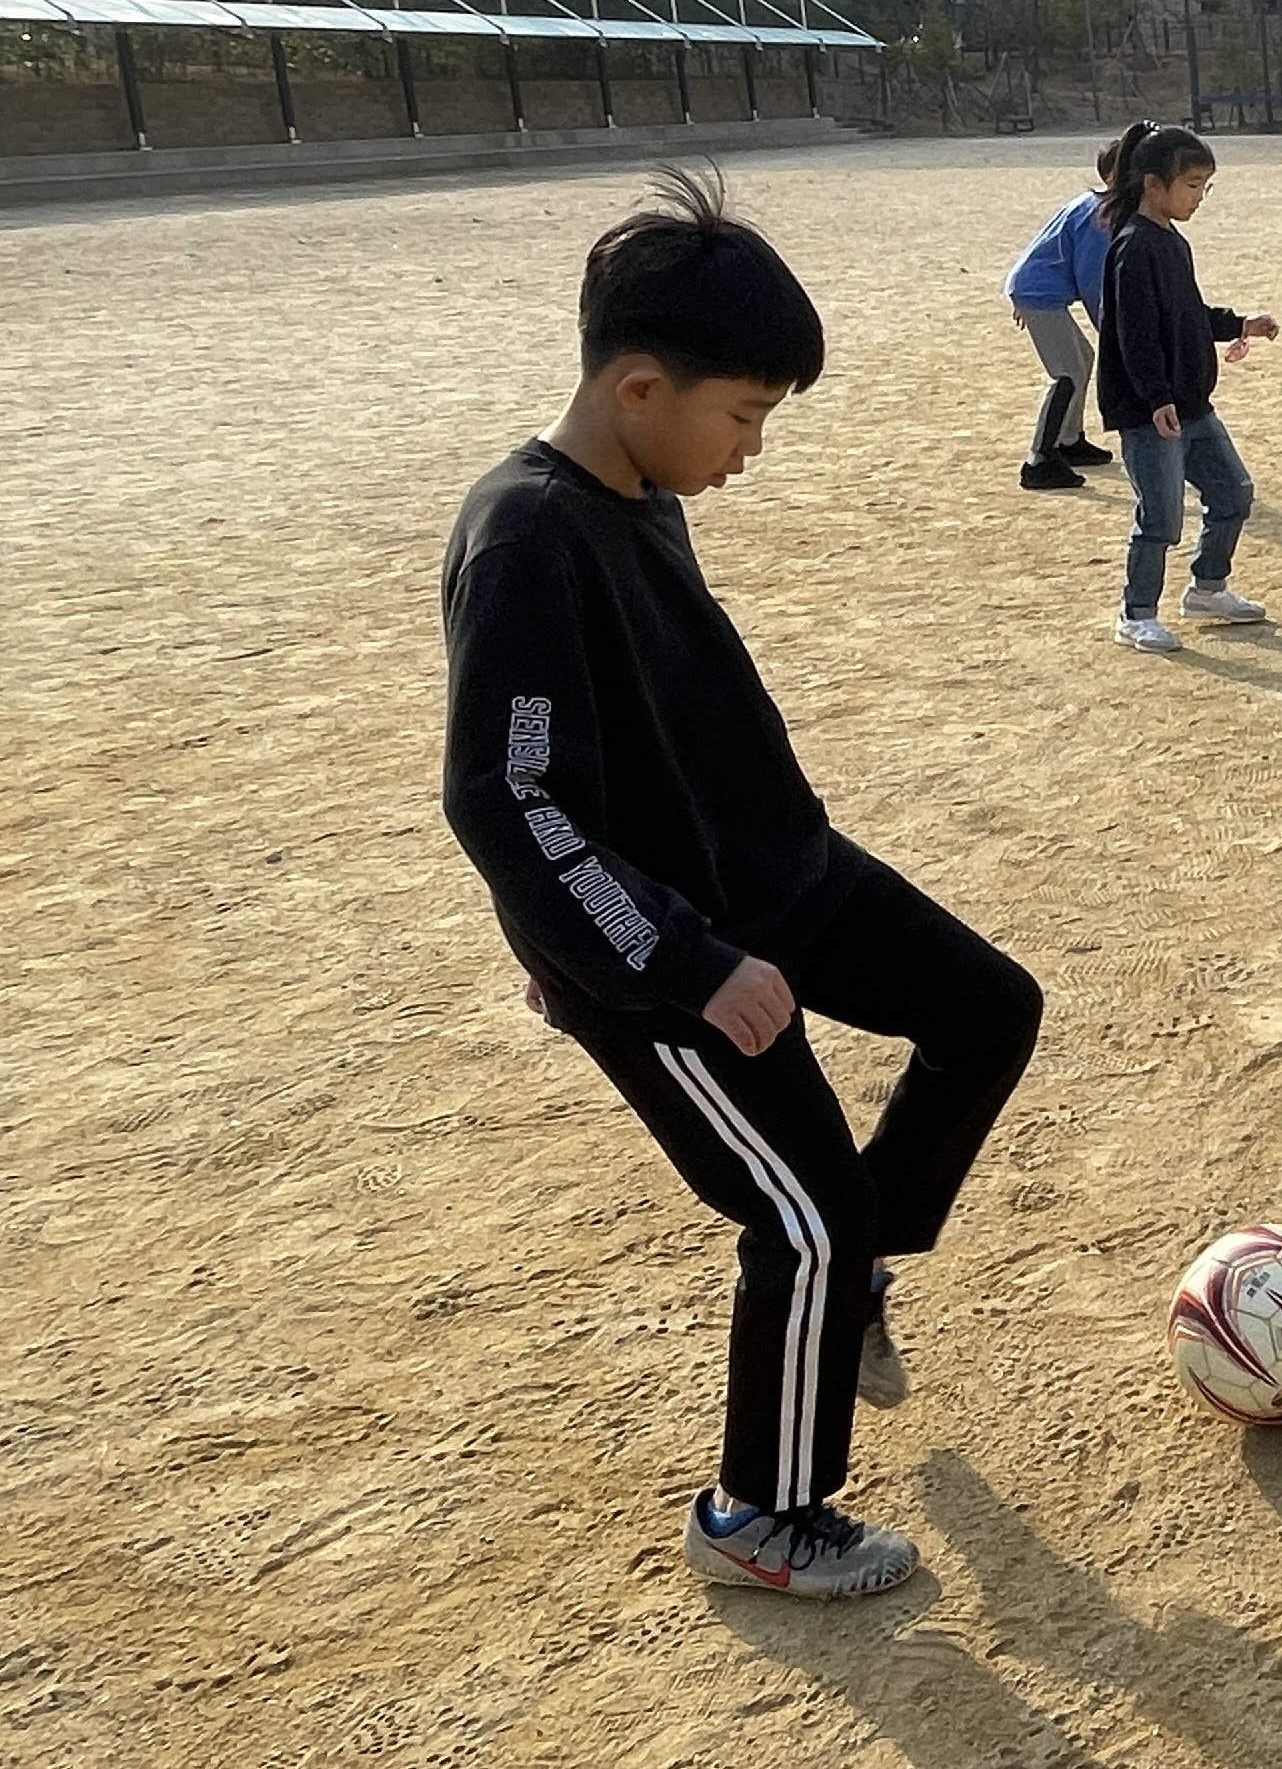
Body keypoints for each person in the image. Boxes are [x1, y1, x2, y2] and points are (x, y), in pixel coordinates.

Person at [438, 168, 1042, 1600]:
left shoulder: (635, 482)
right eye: (746, 416)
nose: (753, 449)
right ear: (642, 386)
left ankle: (858, 1282)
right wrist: (679, 961)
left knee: (988, 1010)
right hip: (668, 961)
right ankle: (758, 1519)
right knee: (803, 1216)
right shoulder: (525, 534)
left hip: (780, 870)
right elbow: (506, 795)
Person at [1099, 121, 1282, 652]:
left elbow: (1186, 315)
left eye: (1205, 186)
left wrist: (1239, 323)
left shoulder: (1171, 241)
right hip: (1152, 409)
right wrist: (1155, 397)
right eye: (1191, 185)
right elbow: (1135, 333)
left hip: (1192, 403)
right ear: (1153, 184)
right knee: (1159, 516)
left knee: (1232, 493)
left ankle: (1208, 587)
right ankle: (1136, 613)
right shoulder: (1134, 246)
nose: (1199, 197)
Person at [1001, 144, 1120, 490]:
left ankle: (1069, 441)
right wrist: (1111, 332)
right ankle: (1038, 460)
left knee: (1082, 359)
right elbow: (1092, 282)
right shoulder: (1100, 215)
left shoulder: (1095, 205)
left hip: (1037, 289)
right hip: (1039, 293)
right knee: (1066, 372)